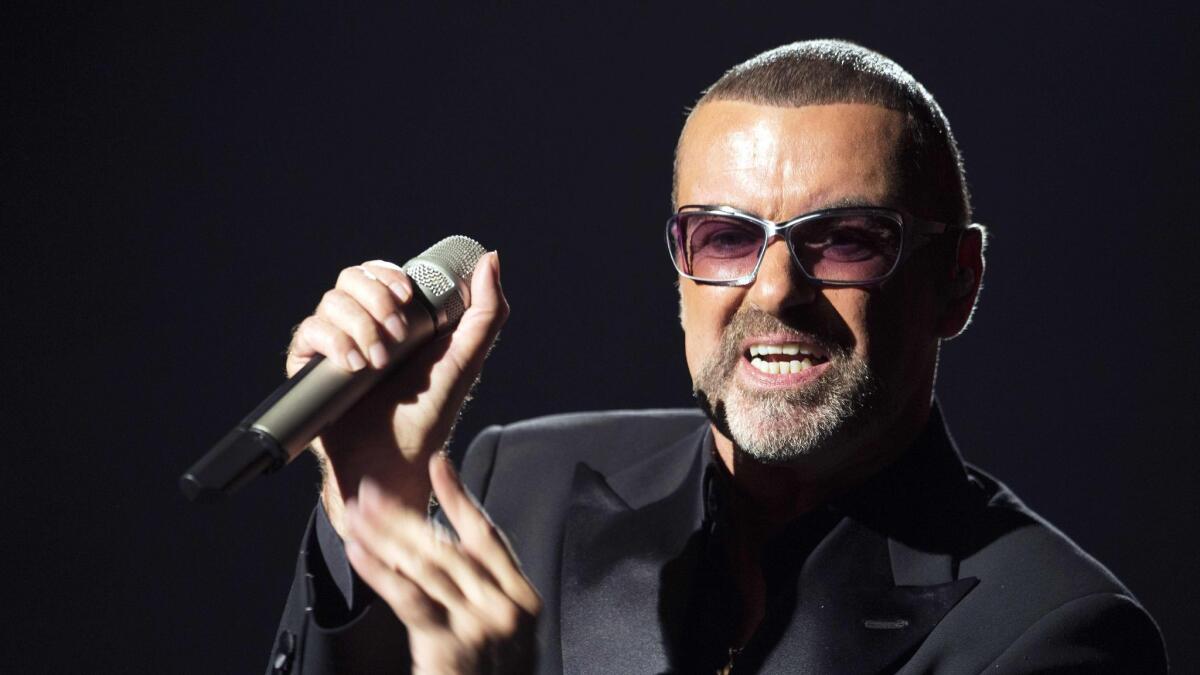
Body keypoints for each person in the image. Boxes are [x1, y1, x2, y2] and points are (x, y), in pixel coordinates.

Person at [265, 40, 1167, 673]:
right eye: (726, 238)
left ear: (957, 281)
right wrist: (367, 515)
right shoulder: (511, 481)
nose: (774, 290)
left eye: (846, 239)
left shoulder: (1054, 633)